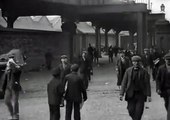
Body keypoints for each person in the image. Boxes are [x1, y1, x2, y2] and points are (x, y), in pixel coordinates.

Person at [119, 55, 151, 120]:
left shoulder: (144, 71)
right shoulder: (128, 71)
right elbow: (124, 83)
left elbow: (147, 84)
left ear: (139, 63)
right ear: (132, 62)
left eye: (137, 62)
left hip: (140, 94)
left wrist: (148, 95)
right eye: (134, 62)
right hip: (130, 94)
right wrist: (121, 94)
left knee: (139, 111)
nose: (136, 63)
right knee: (130, 110)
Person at [4, 54, 22, 120]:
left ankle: (16, 115)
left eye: (12, 58)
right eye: (9, 58)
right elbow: (5, 76)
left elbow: (16, 71)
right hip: (8, 87)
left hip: (15, 86)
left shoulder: (18, 67)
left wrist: (12, 64)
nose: (10, 59)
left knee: (15, 101)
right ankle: (12, 114)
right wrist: (7, 68)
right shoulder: (8, 67)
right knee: (6, 101)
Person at [156, 52, 170, 120]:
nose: (168, 61)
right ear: (165, 60)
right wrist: (158, 88)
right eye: (167, 59)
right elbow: (158, 79)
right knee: (166, 104)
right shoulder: (161, 68)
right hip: (165, 89)